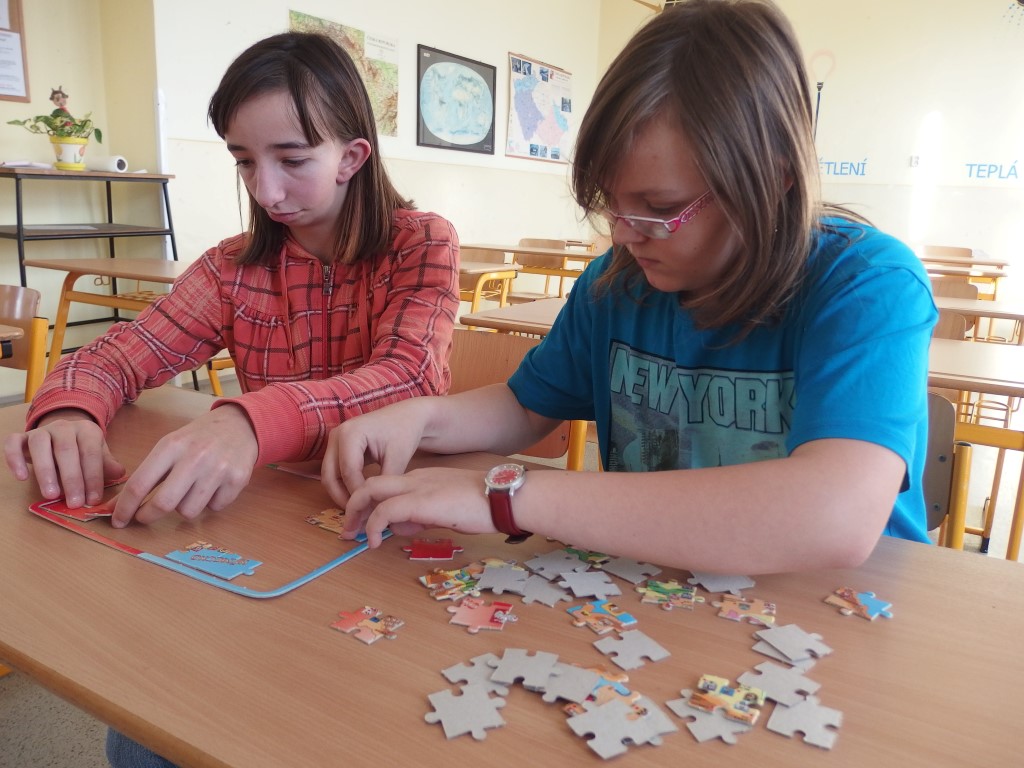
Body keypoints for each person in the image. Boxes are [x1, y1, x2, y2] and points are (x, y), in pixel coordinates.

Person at [323, 0, 937, 576]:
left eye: (659, 208)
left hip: (836, 613)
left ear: (773, 178)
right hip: (655, 595)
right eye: (611, 203)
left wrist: (506, 496)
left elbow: (834, 515)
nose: (622, 234)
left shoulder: (867, 286)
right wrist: (423, 418)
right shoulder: (616, 286)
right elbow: (525, 407)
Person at [4, 32, 459, 530]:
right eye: (244, 161)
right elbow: (114, 357)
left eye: (293, 160)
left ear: (350, 158)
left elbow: (409, 379)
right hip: (275, 505)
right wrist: (69, 413)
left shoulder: (420, 241)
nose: (265, 191)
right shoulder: (231, 267)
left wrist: (251, 421)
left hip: (392, 507)